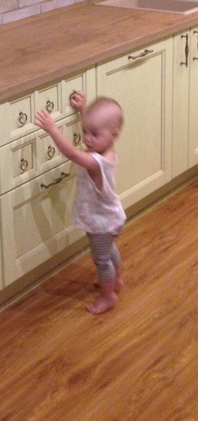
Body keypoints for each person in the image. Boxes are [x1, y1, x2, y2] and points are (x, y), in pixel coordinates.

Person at [35, 91, 126, 315]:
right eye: (85, 131)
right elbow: (95, 128)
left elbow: (73, 154)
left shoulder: (96, 162)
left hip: (100, 223)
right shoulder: (107, 150)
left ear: (114, 134)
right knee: (109, 249)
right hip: (110, 217)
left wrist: (53, 129)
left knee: (101, 260)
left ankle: (108, 295)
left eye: (94, 134)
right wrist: (84, 109)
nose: (87, 138)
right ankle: (117, 279)